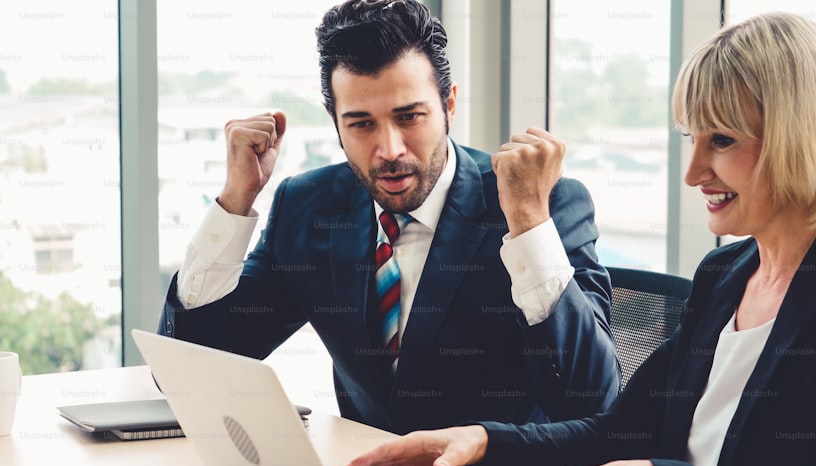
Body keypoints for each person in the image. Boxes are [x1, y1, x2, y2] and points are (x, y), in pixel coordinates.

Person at [337, 12, 816, 466]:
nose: (693, 172)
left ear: (801, 137)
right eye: (693, 139)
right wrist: (481, 440)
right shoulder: (727, 275)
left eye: (721, 141)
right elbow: (619, 433)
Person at [157, 0, 619, 434]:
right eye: (361, 124)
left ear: (449, 106)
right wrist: (235, 200)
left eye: (410, 117)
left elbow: (593, 403)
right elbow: (191, 371)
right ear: (335, 121)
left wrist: (528, 223)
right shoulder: (309, 207)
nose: (390, 150)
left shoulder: (545, 206)